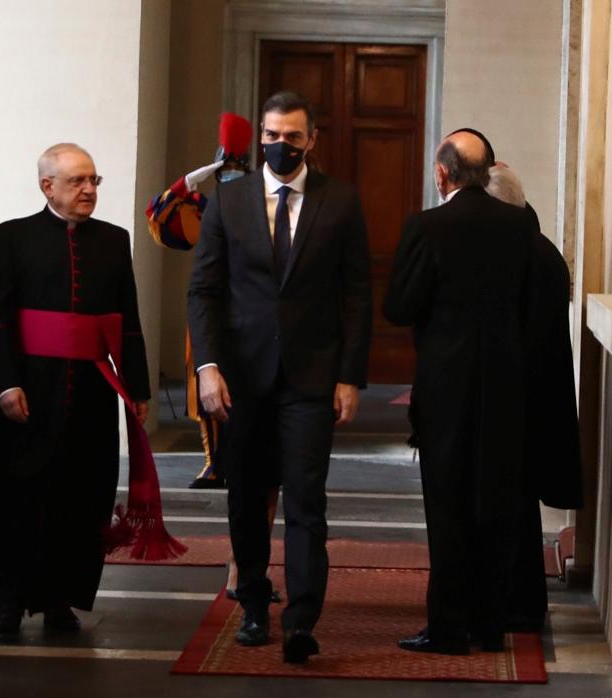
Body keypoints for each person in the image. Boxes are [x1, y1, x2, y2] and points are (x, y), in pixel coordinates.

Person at [0, 142, 168, 636]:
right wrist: (4, 385)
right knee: (16, 499)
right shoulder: (11, 237)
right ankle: (7, 601)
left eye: (94, 181)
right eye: (77, 181)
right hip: (28, 391)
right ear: (48, 186)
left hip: (89, 393)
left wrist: (137, 385)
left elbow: (126, 321)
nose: (89, 190)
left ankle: (59, 600)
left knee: (79, 499)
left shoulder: (113, 240)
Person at [187, 90, 373, 664]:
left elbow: (357, 295)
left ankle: (301, 620)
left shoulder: (339, 201)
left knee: (306, 502)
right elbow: (205, 290)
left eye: (292, 137)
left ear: (311, 140)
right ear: (260, 137)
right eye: (271, 135)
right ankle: (252, 605)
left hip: (311, 379)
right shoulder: (230, 200)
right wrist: (207, 367)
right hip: (241, 380)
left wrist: (350, 376)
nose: (280, 146)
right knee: (245, 499)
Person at [384, 129, 539, 656]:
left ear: (442, 174)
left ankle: (448, 627)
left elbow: (400, 307)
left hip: (447, 389)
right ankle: (490, 625)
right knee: (495, 502)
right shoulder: (521, 226)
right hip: (506, 386)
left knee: (446, 506)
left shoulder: (427, 227)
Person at [146, 113, 281, 603]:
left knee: (262, 464)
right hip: (213, 328)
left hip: (255, 335)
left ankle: (243, 563)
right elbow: (159, 220)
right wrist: (193, 177)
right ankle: (214, 464)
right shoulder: (205, 199)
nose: (231, 168)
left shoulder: (261, 198)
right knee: (229, 442)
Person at [484, 163, 583, 633]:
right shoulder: (539, 249)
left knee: (512, 511)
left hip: (517, 403)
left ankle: (516, 606)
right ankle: (519, 603)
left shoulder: (522, 256)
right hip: (535, 401)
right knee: (518, 510)